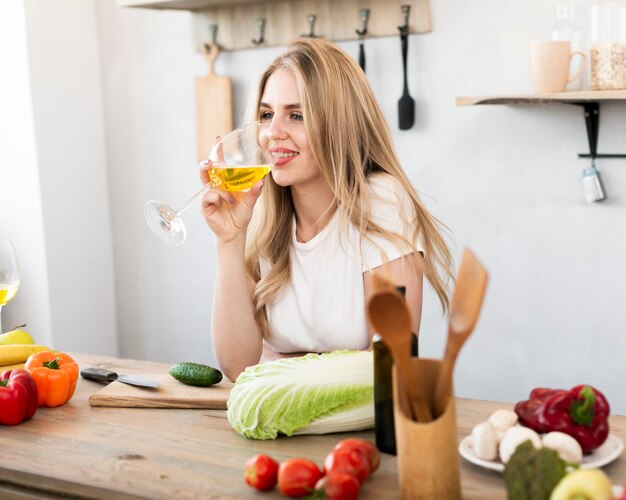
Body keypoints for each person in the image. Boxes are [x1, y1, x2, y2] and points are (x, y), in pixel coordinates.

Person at [200, 38, 453, 382]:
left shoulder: (380, 202)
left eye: (296, 115)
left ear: (339, 122)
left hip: (358, 429)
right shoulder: (261, 215)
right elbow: (237, 366)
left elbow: (391, 359)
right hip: (281, 424)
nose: (272, 133)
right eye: (267, 114)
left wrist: (280, 364)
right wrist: (229, 241)